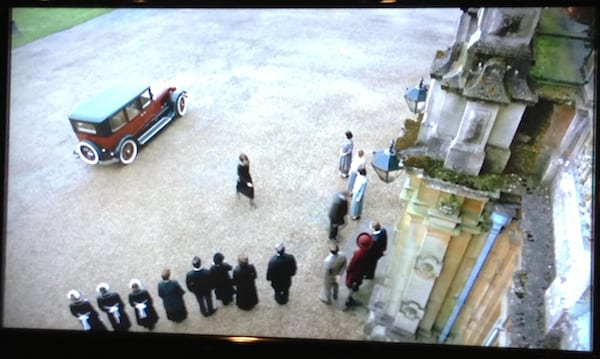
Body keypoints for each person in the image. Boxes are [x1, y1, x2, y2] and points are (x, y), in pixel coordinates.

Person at [344, 232, 373, 310]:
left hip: (356, 271)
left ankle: (350, 288)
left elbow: (353, 263)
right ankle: (356, 286)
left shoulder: (358, 253)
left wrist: (349, 268)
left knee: (351, 280)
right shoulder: (369, 251)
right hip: (363, 270)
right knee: (358, 280)